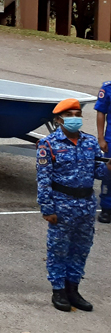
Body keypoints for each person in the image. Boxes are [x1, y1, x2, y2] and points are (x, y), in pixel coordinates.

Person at [37, 99, 106, 312]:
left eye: (77, 114)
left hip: (86, 205)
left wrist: (109, 168)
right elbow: (43, 179)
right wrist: (47, 208)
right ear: (58, 119)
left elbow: (99, 173)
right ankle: (58, 290)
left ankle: (73, 289)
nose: (75, 119)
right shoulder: (48, 144)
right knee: (59, 249)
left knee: (81, 249)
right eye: (69, 115)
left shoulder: (90, 142)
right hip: (62, 204)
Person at [92, 79, 111, 223]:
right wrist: (101, 137)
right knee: (109, 174)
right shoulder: (108, 88)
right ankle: (107, 208)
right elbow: (101, 112)